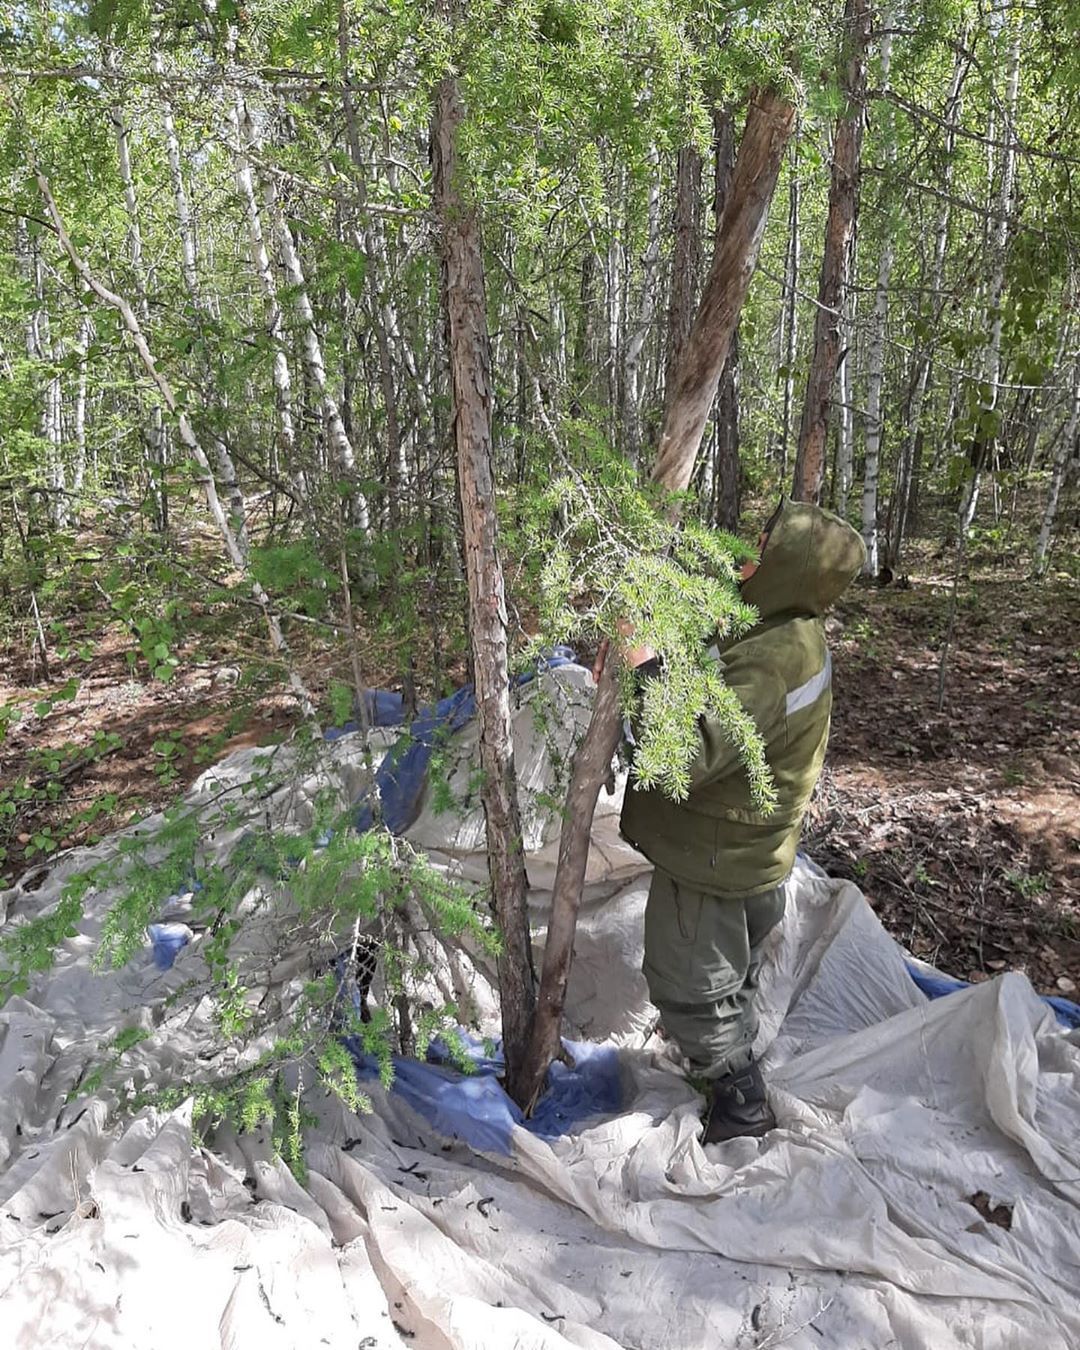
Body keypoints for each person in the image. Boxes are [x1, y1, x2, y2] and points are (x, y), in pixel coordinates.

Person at [606, 499, 866, 1143]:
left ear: (787, 568)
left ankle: (739, 1105)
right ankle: (728, 1059)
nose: (743, 554)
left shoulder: (775, 660)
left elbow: (684, 753)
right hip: (751, 851)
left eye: (762, 547)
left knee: (691, 985)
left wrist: (644, 666)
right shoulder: (786, 633)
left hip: (715, 859)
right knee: (732, 974)